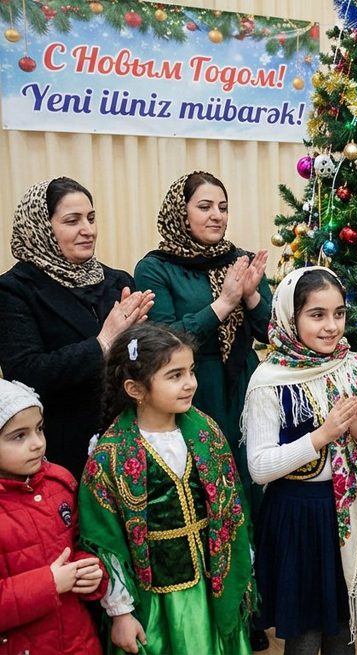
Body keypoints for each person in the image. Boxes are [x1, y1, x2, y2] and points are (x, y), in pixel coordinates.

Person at [79, 322, 255, 654]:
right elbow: (106, 541)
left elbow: (231, 504)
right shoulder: (111, 456)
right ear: (135, 389)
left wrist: (241, 564)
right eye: (175, 376)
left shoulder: (206, 433)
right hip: (156, 600)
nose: (190, 383)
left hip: (211, 586)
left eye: (191, 371)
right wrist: (121, 613)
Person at [242, 267, 357, 653]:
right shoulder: (269, 379)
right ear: (292, 316)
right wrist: (321, 437)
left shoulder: (355, 367)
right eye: (317, 315)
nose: (331, 326)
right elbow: (259, 468)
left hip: (346, 515)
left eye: (338, 313)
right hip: (297, 519)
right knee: (305, 635)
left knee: (344, 629)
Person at [134, 171, 272, 524]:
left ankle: (256, 568)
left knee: (252, 476)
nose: (217, 216)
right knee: (206, 483)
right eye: (205, 206)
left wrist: (252, 295)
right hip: (191, 388)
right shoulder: (155, 268)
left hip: (245, 382)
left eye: (223, 207)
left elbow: (273, 332)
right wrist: (224, 304)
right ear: (181, 213)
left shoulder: (238, 260)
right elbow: (162, 341)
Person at [0, 178, 154, 477]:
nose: (88, 230)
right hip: (63, 447)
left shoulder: (117, 281)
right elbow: (26, 374)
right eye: (73, 221)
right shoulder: (13, 290)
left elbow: (140, 358)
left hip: (127, 439)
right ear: (41, 228)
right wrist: (104, 342)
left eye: (91, 218)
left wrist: (140, 344)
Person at [0, 378, 108, 654]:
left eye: (39, 429)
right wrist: (49, 584)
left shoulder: (59, 483)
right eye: (19, 436)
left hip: (79, 641)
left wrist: (91, 572)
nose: (37, 444)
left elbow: (79, 544)